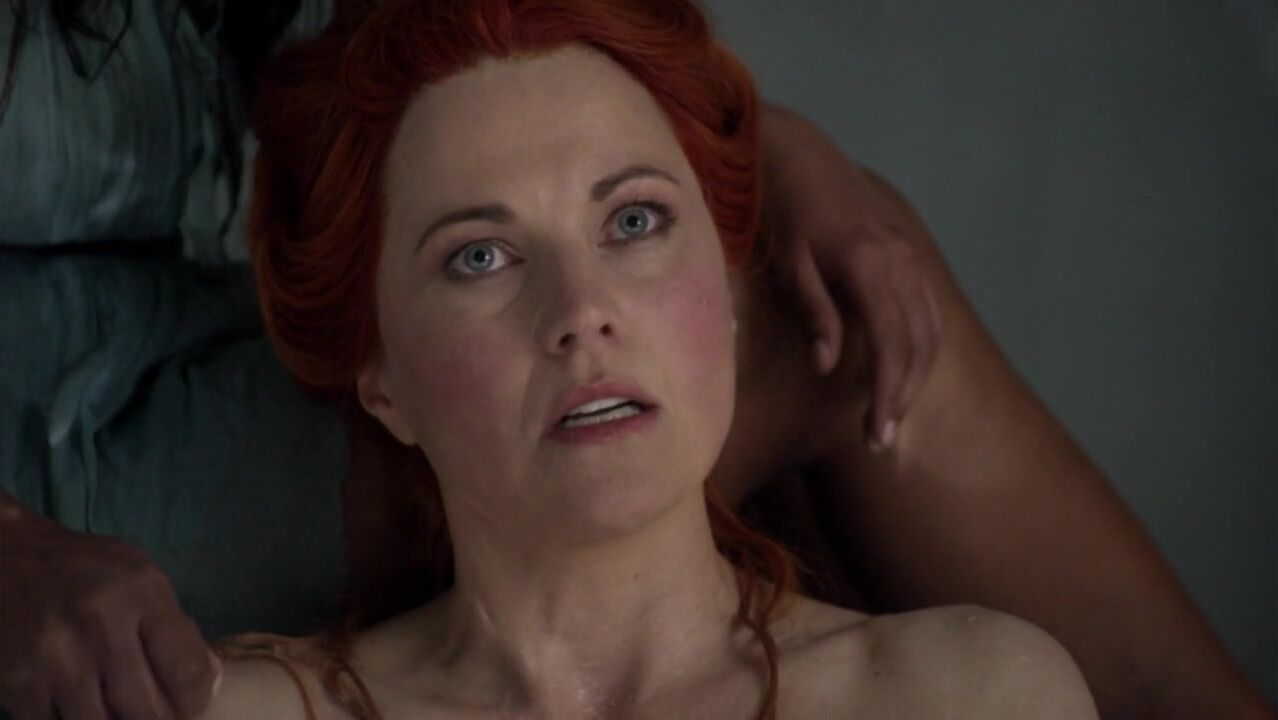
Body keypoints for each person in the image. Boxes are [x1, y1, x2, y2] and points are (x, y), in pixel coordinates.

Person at [198, 0, 1098, 717]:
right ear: (380, 379)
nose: (581, 311)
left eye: (634, 221)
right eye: (480, 257)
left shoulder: (975, 694)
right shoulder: (241, 711)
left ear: (728, 283)